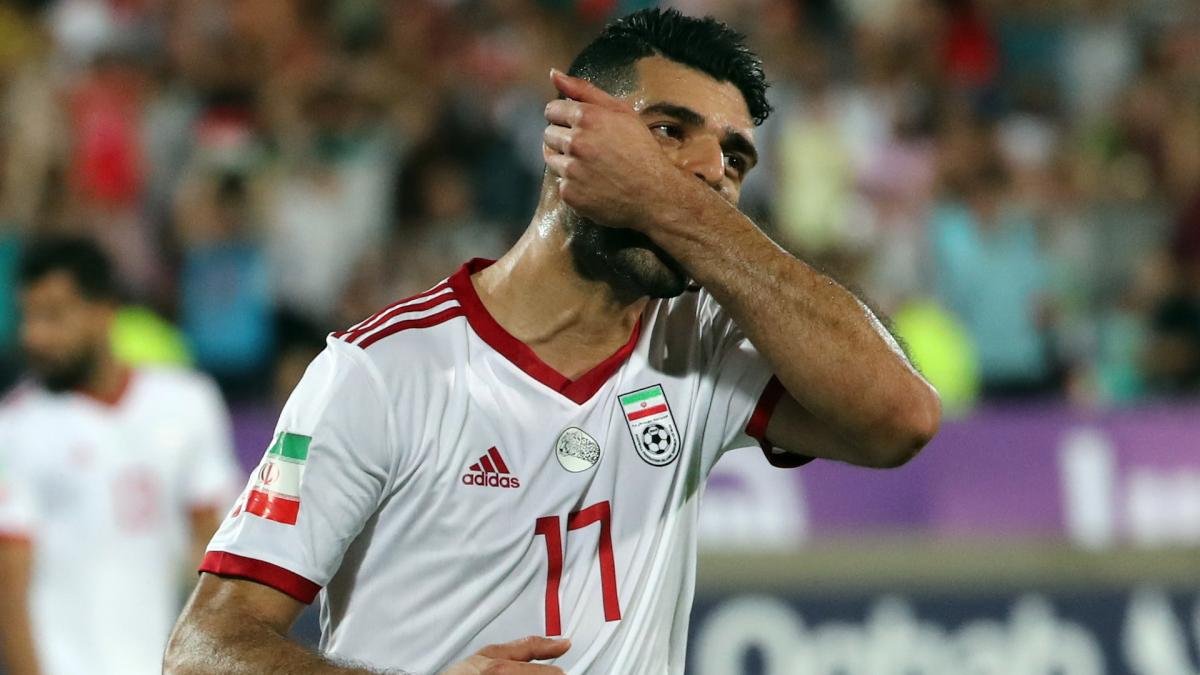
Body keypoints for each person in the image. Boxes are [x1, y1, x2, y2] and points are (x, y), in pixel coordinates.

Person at [165, 9, 940, 675]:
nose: (711, 174)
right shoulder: (381, 371)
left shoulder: (702, 344)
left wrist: (674, 204)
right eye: (668, 132)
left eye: (734, 160)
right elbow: (204, 647)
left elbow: (900, 417)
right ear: (569, 131)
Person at [0, 238, 241, 675]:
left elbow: (216, 549)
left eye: (53, 315)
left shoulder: (187, 402)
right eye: (28, 317)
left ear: (104, 312)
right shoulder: (16, 427)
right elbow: (9, 587)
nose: (33, 335)